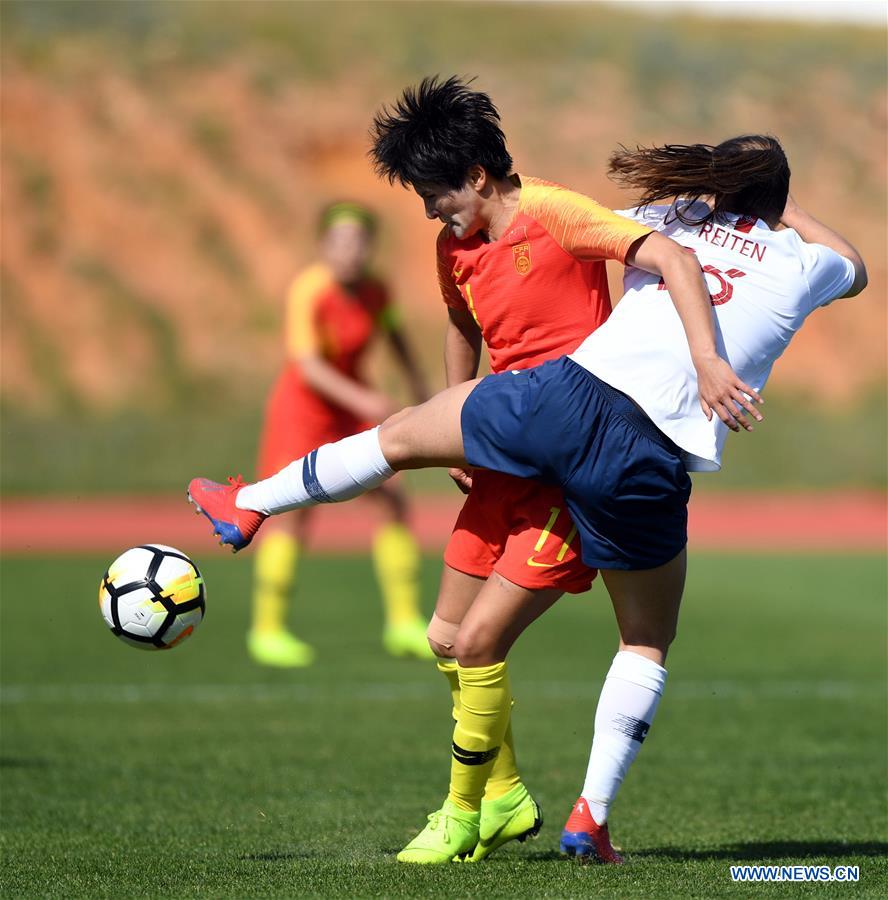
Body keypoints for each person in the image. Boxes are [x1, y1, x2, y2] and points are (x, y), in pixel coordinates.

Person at [188, 136, 866, 862]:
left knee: (402, 436)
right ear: (775, 201)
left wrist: (707, 203)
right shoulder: (804, 265)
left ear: (717, 187)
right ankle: (590, 816)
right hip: (649, 455)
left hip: (568, 399)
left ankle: (254, 502)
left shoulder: (676, 221)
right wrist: (781, 211)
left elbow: (639, 240)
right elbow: (854, 266)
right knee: (643, 641)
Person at [364, 75, 708, 862]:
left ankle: (460, 814)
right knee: (445, 638)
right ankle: (507, 794)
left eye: (435, 194)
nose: (431, 211)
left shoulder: (557, 212)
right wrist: (456, 418)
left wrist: (693, 361)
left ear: (477, 175)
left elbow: (659, 254)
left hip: (571, 466)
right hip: (500, 453)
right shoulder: (453, 247)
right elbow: (461, 324)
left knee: (480, 640)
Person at [246, 201, 431, 667]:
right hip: (303, 411)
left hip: (351, 408)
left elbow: (397, 336)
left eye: (359, 241)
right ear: (322, 246)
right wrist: (365, 400)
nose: (350, 251)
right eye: (340, 241)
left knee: (392, 499)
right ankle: (267, 630)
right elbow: (308, 366)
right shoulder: (309, 290)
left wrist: (420, 388)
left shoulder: (377, 291)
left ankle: (403, 623)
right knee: (292, 512)